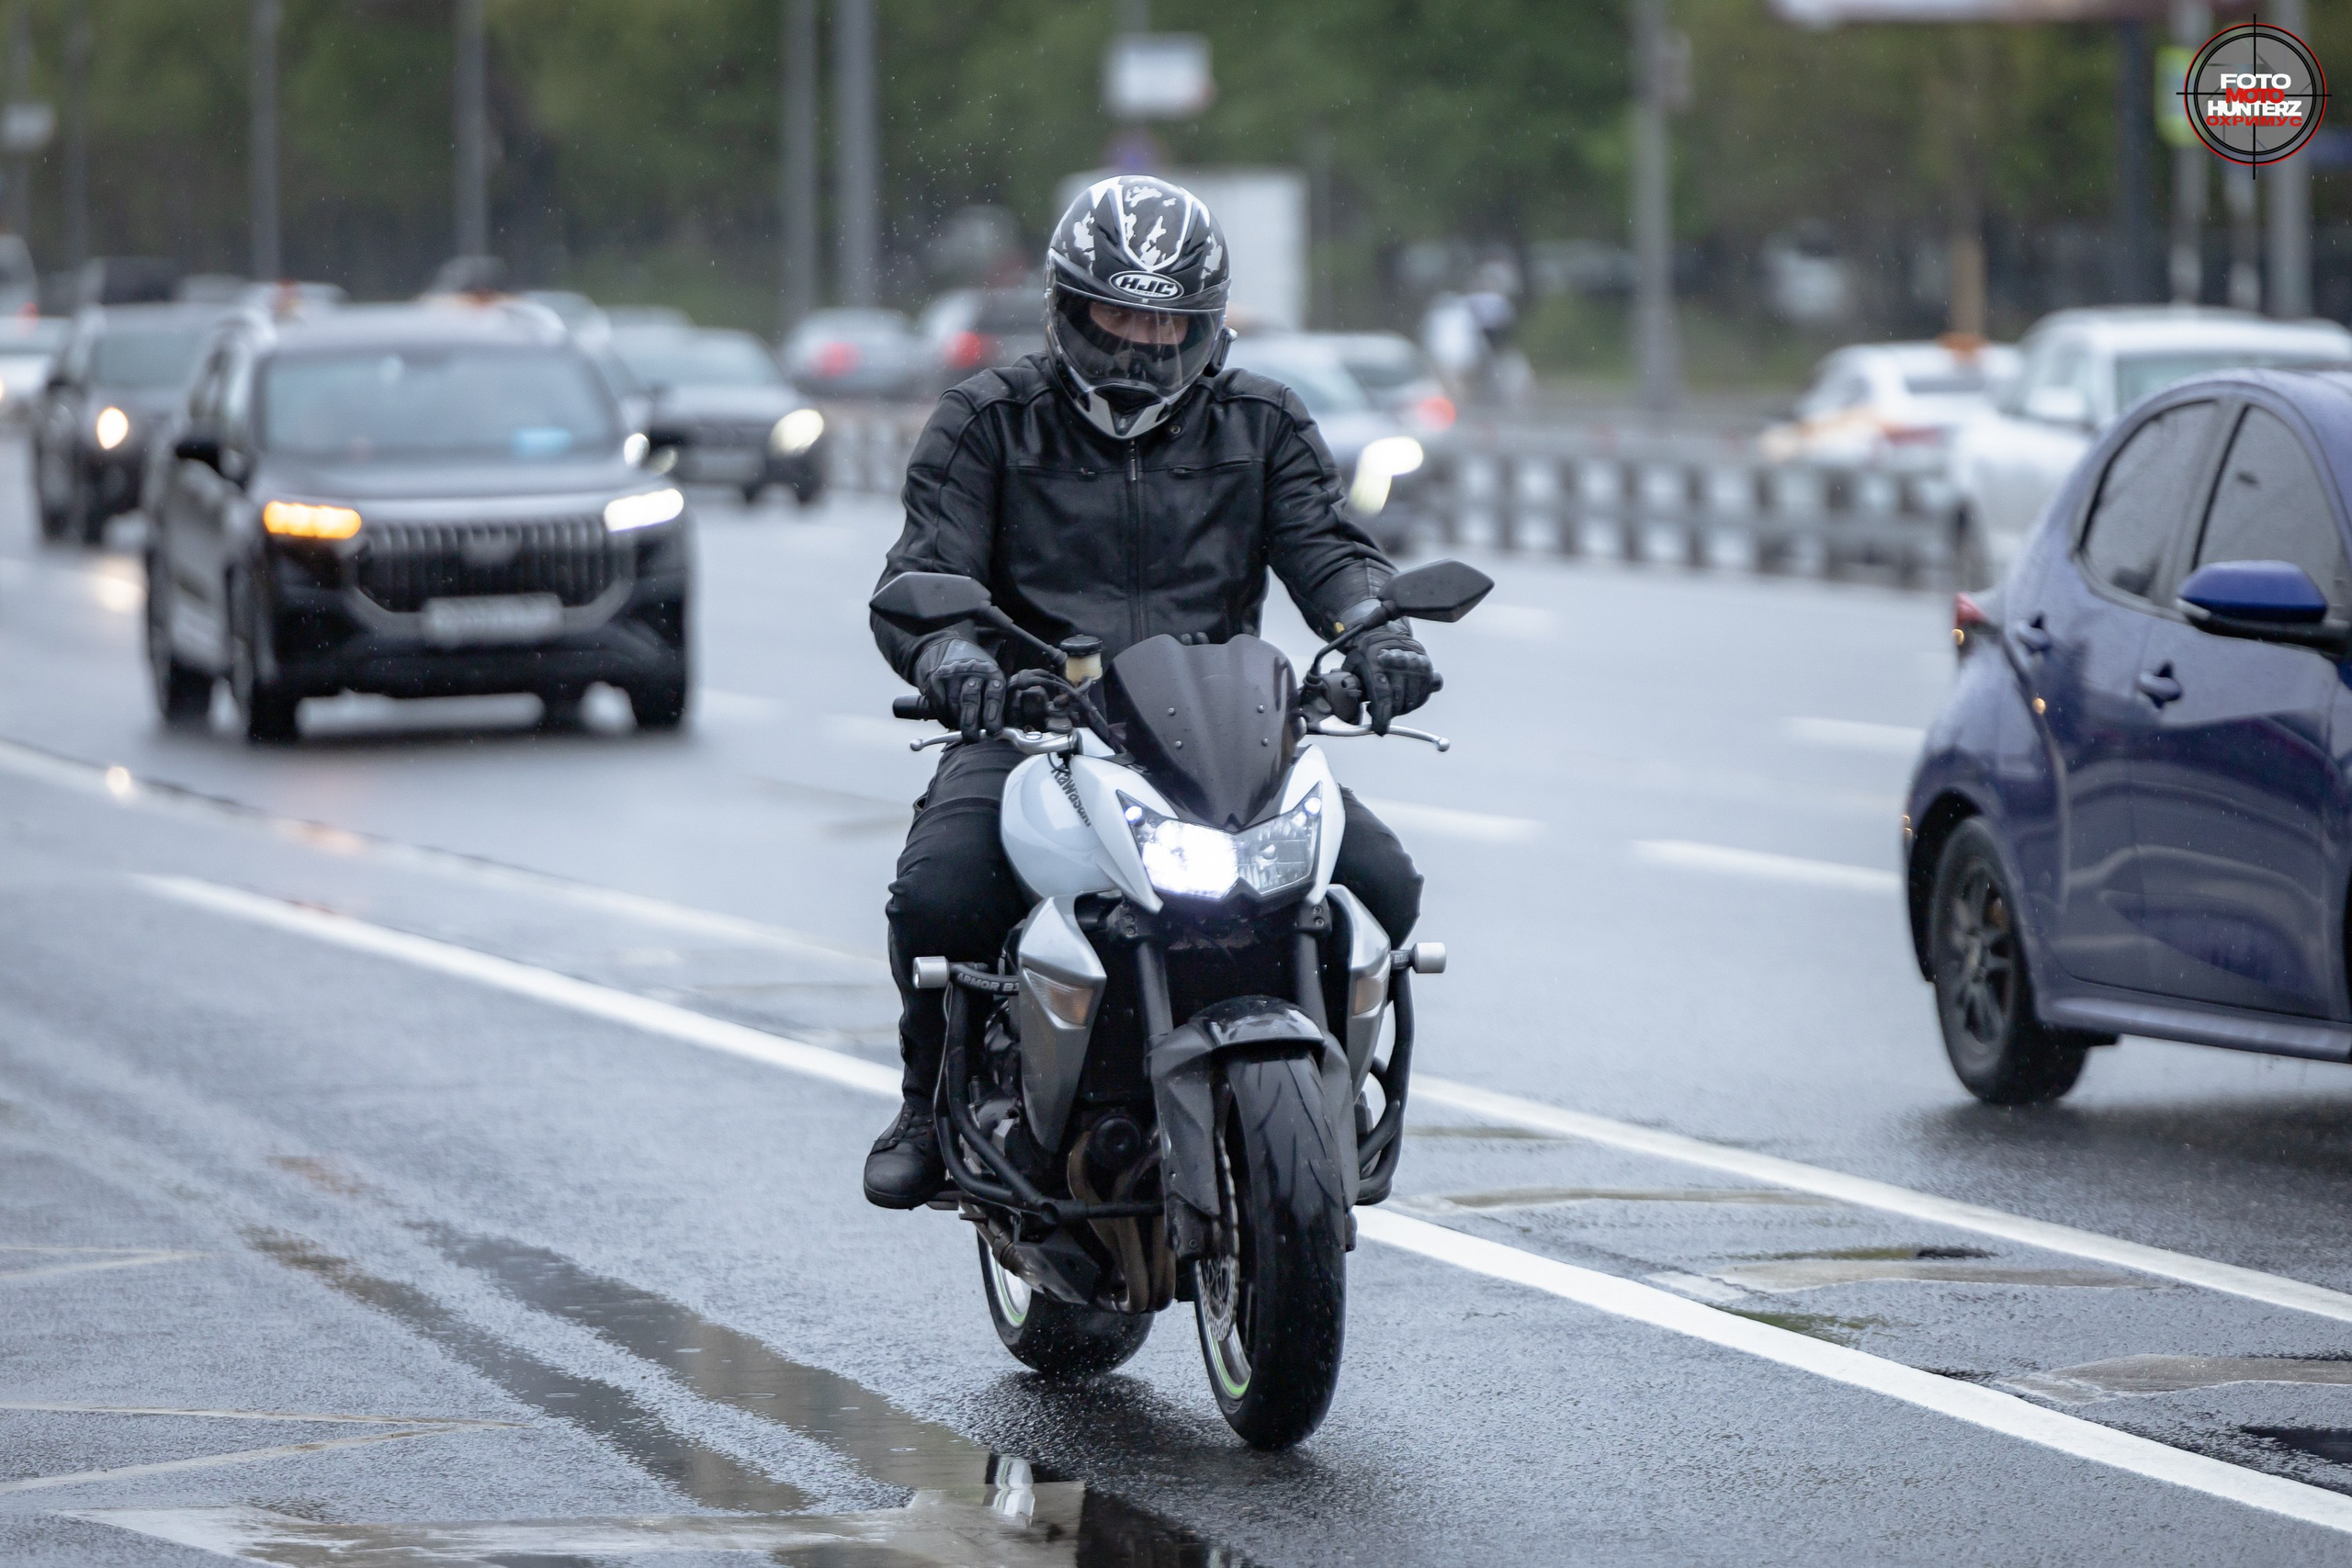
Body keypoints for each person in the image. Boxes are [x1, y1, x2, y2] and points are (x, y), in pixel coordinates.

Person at [863, 175, 1441, 1208]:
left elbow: (1332, 557)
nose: (1140, 340)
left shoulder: (1262, 420)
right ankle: (924, 1100)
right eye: (1117, 310)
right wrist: (955, 659)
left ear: (1206, 323)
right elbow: (920, 578)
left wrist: (1378, 634)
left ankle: (1336, 1093)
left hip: (1223, 734)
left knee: (1385, 884)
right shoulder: (986, 419)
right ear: (1066, 306)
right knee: (940, 892)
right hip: (1038, 725)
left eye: (1167, 318)